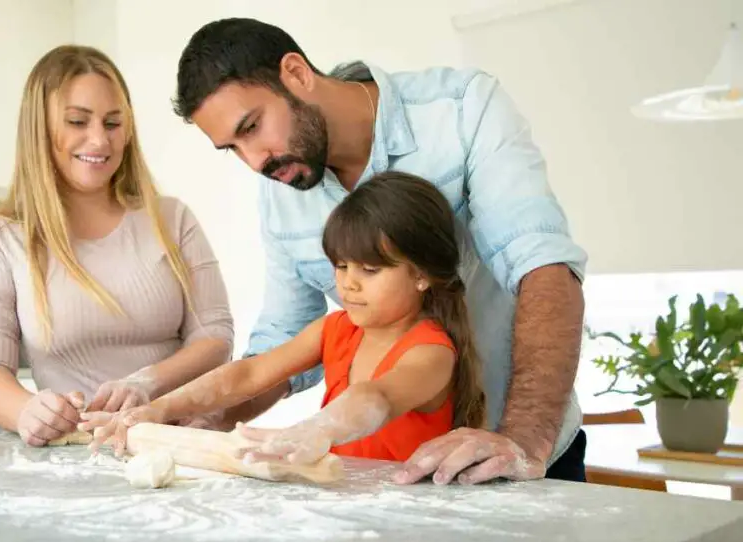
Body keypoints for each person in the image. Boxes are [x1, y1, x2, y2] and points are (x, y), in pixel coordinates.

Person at [163, 18, 589, 484]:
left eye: (253, 127)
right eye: (232, 148)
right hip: (398, 480)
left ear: (297, 73)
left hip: (526, 448)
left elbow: (542, 266)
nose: (254, 161)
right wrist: (207, 420)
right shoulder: (279, 190)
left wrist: (523, 442)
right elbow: (278, 346)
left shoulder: (462, 109)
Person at [81, 171, 485, 464]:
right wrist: (157, 409)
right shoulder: (336, 329)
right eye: (341, 266)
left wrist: (313, 430)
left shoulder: (432, 353)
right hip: (348, 509)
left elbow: (374, 399)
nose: (349, 284)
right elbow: (248, 375)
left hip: (409, 524)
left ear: (421, 275)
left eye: (370, 270)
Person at [0, 45, 234, 447]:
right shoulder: (1, 238)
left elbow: (215, 337)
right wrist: (25, 411)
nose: (100, 140)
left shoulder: (172, 219)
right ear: (39, 128)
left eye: (113, 122)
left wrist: (145, 383)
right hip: (77, 453)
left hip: (175, 442)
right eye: (77, 121)